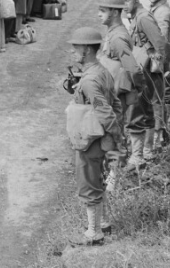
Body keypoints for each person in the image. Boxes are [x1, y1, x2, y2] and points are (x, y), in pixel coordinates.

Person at [65, 27, 123, 246]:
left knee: (88, 182)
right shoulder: (102, 70)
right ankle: (104, 223)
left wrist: (115, 136)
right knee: (98, 180)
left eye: (76, 47)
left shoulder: (90, 80)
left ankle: (93, 233)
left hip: (91, 139)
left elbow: (104, 110)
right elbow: (116, 104)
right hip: (99, 136)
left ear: (87, 49)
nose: (73, 52)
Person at [119, 0, 168, 159]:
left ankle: (139, 154)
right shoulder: (136, 16)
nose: (124, 5)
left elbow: (160, 43)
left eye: (127, 0)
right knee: (145, 110)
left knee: (138, 109)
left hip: (147, 71)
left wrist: (157, 65)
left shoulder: (143, 17)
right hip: (143, 69)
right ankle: (147, 151)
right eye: (121, 2)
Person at [97, 0, 146, 171]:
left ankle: (114, 176)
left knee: (113, 130)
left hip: (117, 92)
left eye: (103, 11)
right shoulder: (113, 32)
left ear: (115, 13)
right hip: (111, 88)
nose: (98, 14)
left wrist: (138, 87)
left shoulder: (117, 37)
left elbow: (132, 67)